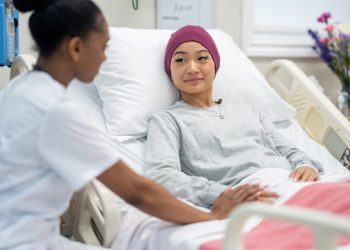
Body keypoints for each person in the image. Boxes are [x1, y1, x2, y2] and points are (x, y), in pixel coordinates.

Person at [0, 1, 276, 250]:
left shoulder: (21, 89)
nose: (105, 58)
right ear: (75, 48)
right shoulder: (57, 110)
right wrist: (211, 216)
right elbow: (137, 192)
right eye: (103, 47)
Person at [145, 25, 323, 208]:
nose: (192, 68)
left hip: (296, 183)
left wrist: (306, 166)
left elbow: (289, 151)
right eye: (180, 60)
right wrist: (222, 194)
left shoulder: (251, 112)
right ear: (169, 71)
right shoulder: (167, 121)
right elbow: (162, 175)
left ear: (215, 64)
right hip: (253, 196)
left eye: (202, 58)